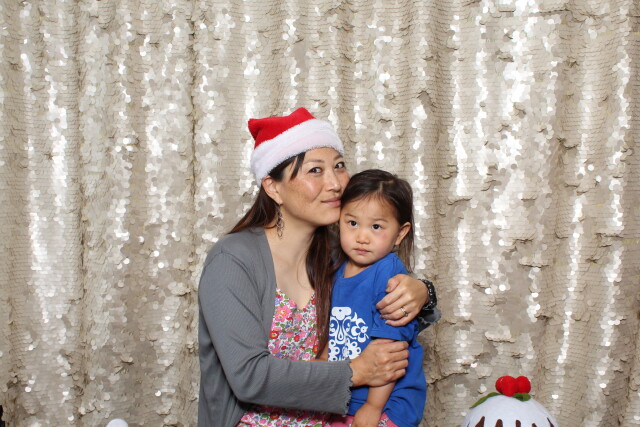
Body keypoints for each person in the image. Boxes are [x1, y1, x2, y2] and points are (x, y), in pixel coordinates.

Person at [198, 108, 436, 427]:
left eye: (339, 166)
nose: (335, 183)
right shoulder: (233, 260)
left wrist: (423, 292)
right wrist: (357, 371)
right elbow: (249, 377)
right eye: (315, 170)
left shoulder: (340, 252)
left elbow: (383, 311)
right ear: (273, 187)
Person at [323, 169, 426, 427]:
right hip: (345, 397)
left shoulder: (388, 273)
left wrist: (373, 406)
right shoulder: (335, 267)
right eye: (352, 223)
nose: (362, 237)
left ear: (400, 233)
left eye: (376, 227)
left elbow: (391, 349)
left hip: (388, 402)